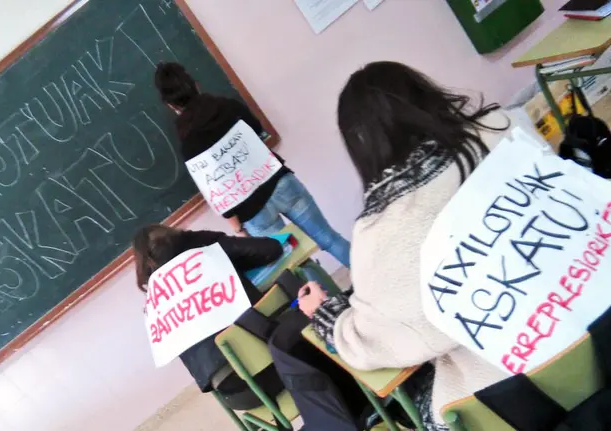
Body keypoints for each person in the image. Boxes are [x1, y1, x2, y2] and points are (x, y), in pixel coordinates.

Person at [298, 61, 517, 430]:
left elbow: (380, 342)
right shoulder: (504, 127)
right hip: (600, 321)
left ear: (359, 145)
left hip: (512, 393)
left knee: (409, 400)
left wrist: (326, 314)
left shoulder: (381, 228)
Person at [154, 62, 350, 267]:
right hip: (279, 182)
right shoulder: (229, 106)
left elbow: (217, 193)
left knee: (296, 264)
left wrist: (238, 229)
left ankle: (323, 299)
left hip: (252, 211)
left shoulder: (189, 145)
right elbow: (257, 130)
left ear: (171, 106)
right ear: (196, 85)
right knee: (329, 238)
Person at [133, 224, 283, 396]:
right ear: (177, 235)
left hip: (237, 396)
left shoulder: (156, 300)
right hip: (277, 369)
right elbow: (271, 248)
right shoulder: (204, 247)